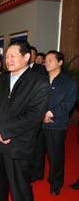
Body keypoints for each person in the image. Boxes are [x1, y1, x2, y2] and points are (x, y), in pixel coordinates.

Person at [0, 40, 49, 201]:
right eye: (6, 56)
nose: (8, 60)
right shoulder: (0, 79)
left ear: (26, 57)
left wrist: (4, 131)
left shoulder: (39, 82)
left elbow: (33, 116)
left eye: (13, 56)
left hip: (18, 145)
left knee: (20, 190)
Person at [32, 51, 77, 195]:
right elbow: (34, 99)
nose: (47, 62)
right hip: (39, 123)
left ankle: (56, 182)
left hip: (56, 124)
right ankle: (37, 173)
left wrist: (50, 113)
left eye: (51, 60)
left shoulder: (69, 82)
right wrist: (40, 114)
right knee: (37, 151)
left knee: (55, 155)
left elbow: (69, 103)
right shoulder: (41, 79)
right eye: (46, 60)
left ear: (60, 63)